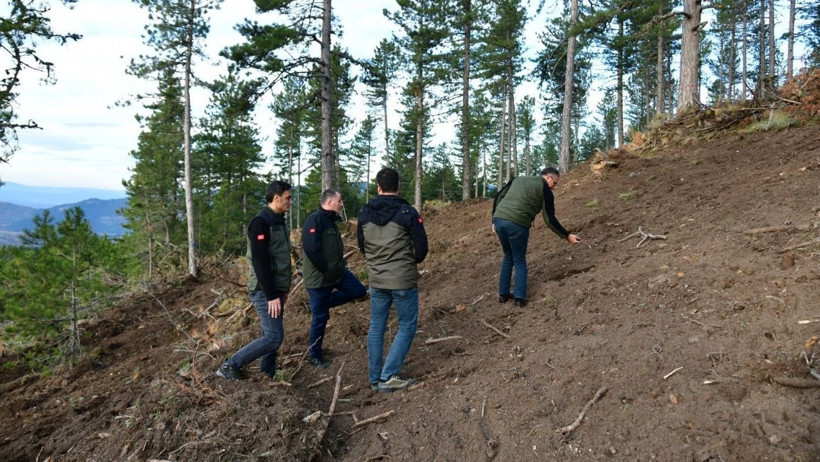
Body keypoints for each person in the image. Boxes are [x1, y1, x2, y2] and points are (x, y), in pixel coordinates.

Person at [357, 167, 428, 393]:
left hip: (377, 279)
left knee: (377, 325)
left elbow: (361, 245)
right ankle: (388, 376)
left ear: (378, 187)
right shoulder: (407, 212)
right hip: (402, 279)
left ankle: (375, 377)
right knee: (407, 325)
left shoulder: (365, 213)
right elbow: (421, 249)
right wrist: (408, 261)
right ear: (398, 187)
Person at [217, 181, 293, 380]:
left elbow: (280, 258)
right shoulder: (260, 222)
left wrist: (282, 289)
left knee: (269, 334)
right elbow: (260, 262)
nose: (290, 202)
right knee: (274, 337)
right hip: (263, 289)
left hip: (275, 288)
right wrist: (271, 295)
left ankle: (266, 374)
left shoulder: (279, 221)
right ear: (276, 198)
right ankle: (230, 365)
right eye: (288, 197)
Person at [492, 167, 580, 308]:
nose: (555, 187)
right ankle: (519, 298)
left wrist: (494, 220)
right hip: (518, 224)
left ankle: (503, 295)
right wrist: (566, 235)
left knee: (508, 256)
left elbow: (499, 196)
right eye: (555, 183)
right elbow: (549, 219)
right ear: (548, 178)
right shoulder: (544, 189)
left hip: (499, 220)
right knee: (519, 259)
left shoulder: (518, 179)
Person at [302, 189, 367, 368]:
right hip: (319, 278)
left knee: (358, 290)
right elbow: (311, 249)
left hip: (337, 273)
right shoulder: (315, 220)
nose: (342, 204)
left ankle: (323, 303)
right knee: (320, 318)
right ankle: (314, 354)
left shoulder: (331, 221)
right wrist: (326, 269)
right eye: (339, 201)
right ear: (330, 202)